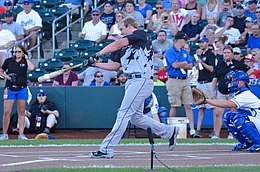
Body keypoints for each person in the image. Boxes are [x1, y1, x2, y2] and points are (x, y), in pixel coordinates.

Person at [88, 17, 179, 158]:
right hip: (131, 82)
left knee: (123, 114)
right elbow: (114, 66)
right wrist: (94, 64)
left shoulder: (141, 35)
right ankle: (168, 131)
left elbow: (119, 43)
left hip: (141, 79)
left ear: (129, 26)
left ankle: (106, 149)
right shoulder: (122, 45)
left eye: (122, 29)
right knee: (135, 117)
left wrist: (99, 54)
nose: (121, 32)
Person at [206, 70, 260, 152]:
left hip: (257, 121)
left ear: (242, 83)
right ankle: (246, 143)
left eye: (234, 81)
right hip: (255, 122)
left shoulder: (246, 94)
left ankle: (258, 144)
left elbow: (228, 104)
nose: (231, 83)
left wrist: (207, 101)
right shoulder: (238, 93)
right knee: (229, 117)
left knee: (240, 118)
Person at [211, 45, 253, 138]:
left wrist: (241, 79)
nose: (226, 54)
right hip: (221, 92)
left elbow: (250, 70)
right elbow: (215, 79)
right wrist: (212, 93)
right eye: (225, 53)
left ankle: (231, 134)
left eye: (228, 53)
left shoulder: (237, 64)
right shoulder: (220, 64)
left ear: (232, 54)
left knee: (233, 114)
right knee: (218, 113)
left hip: (233, 93)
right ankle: (216, 134)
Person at [0, 44, 35, 140]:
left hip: (22, 87)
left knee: (21, 111)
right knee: (7, 112)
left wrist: (27, 58)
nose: (17, 53)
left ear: (23, 53)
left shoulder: (25, 61)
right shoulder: (9, 61)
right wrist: (6, 76)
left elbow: (32, 68)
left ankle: (21, 134)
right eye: (15, 51)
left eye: (19, 51)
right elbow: (1, 70)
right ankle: (4, 134)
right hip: (10, 87)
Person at [165, 32, 196, 137]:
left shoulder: (184, 52)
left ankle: (192, 129)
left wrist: (181, 64)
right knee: (174, 105)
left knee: (188, 104)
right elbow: (175, 65)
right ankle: (171, 130)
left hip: (184, 79)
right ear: (180, 40)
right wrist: (183, 64)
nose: (186, 42)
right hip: (174, 80)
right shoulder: (170, 51)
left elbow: (190, 65)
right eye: (185, 40)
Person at [192, 37, 217, 138]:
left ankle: (215, 130)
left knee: (213, 107)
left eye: (203, 42)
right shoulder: (200, 55)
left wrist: (201, 62)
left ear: (207, 43)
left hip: (208, 82)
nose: (201, 44)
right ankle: (198, 130)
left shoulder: (210, 54)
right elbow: (199, 69)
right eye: (200, 43)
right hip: (200, 82)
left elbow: (211, 69)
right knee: (201, 107)